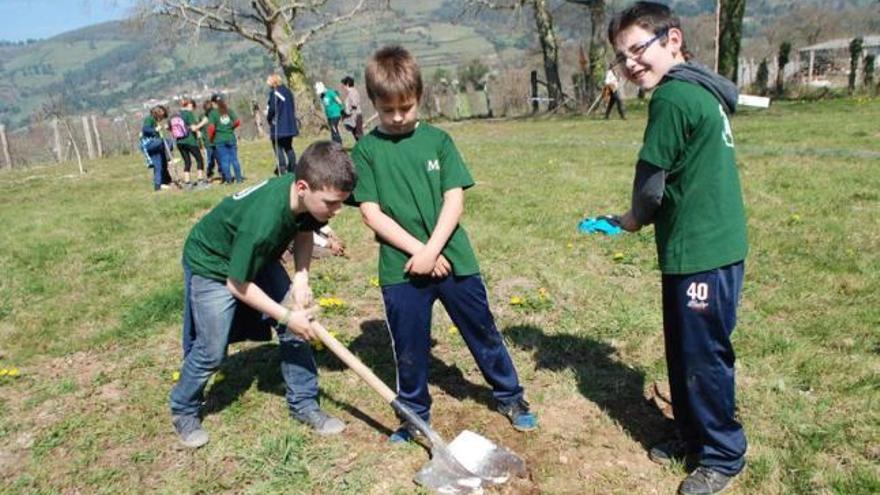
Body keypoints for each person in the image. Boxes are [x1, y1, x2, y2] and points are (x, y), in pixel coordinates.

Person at [350, 45, 537, 443]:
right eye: (388, 111)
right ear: (374, 103)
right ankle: (414, 415)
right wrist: (418, 254)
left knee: (482, 330)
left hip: (455, 261)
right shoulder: (366, 150)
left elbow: (455, 199)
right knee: (409, 348)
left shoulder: (439, 141)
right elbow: (371, 213)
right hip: (401, 270)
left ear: (419, 96)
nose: (399, 118)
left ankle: (510, 395)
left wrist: (432, 250)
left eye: (407, 107)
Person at [606, 3, 747, 494]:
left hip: (702, 251)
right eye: (622, 58)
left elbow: (650, 186)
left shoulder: (672, 99)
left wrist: (630, 220)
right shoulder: (701, 89)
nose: (630, 65)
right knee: (687, 352)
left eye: (638, 49)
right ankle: (691, 433)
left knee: (703, 356)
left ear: (673, 40)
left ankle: (723, 454)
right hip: (710, 245)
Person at [170, 141, 357, 449]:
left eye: (341, 203)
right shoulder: (263, 221)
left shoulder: (306, 199)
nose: (336, 212)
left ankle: (304, 405)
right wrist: (284, 315)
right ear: (302, 187)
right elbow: (237, 284)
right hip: (214, 264)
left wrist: (301, 277)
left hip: (257, 256)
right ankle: (183, 408)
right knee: (211, 350)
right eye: (331, 203)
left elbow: (304, 230)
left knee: (297, 330)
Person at [266, 74, 299, 175]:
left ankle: (282, 168)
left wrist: (268, 117)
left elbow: (272, 109)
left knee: (278, 147)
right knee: (289, 147)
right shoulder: (288, 91)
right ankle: (293, 167)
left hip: (279, 125)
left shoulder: (275, 93)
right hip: (289, 124)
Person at [208, 95, 244, 183]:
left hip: (219, 139)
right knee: (234, 159)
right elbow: (237, 122)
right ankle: (239, 179)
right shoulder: (228, 110)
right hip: (231, 137)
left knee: (224, 161)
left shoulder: (213, 113)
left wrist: (211, 138)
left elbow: (211, 128)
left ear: (213, 103)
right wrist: (231, 128)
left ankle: (229, 180)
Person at [140, 104, 173, 191]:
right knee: (167, 142)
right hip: (150, 143)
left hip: (156, 146)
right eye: (162, 117)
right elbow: (145, 129)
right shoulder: (150, 119)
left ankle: (159, 185)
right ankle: (168, 157)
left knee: (159, 165)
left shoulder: (155, 121)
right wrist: (155, 130)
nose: (162, 119)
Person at [174, 98, 206, 186]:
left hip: (179, 142)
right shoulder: (189, 114)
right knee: (199, 159)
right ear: (189, 105)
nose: (193, 109)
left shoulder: (176, 114)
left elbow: (168, 127)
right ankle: (200, 180)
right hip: (190, 141)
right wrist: (203, 123)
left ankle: (187, 182)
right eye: (193, 107)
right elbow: (194, 128)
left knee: (187, 161)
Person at [199, 99, 219, 181]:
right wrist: (200, 142)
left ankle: (223, 173)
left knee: (219, 158)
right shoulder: (202, 117)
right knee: (210, 160)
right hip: (207, 141)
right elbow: (199, 130)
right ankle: (209, 174)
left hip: (217, 140)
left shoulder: (216, 114)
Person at [340, 76, 363, 141]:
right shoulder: (350, 93)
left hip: (356, 116)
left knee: (359, 135)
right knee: (356, 134)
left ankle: (364, 149)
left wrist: (347, 111)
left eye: (343, 85)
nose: (343, 87)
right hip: (353, 116)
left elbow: (354, 104)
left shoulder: (353, 92)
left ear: (347, 84)